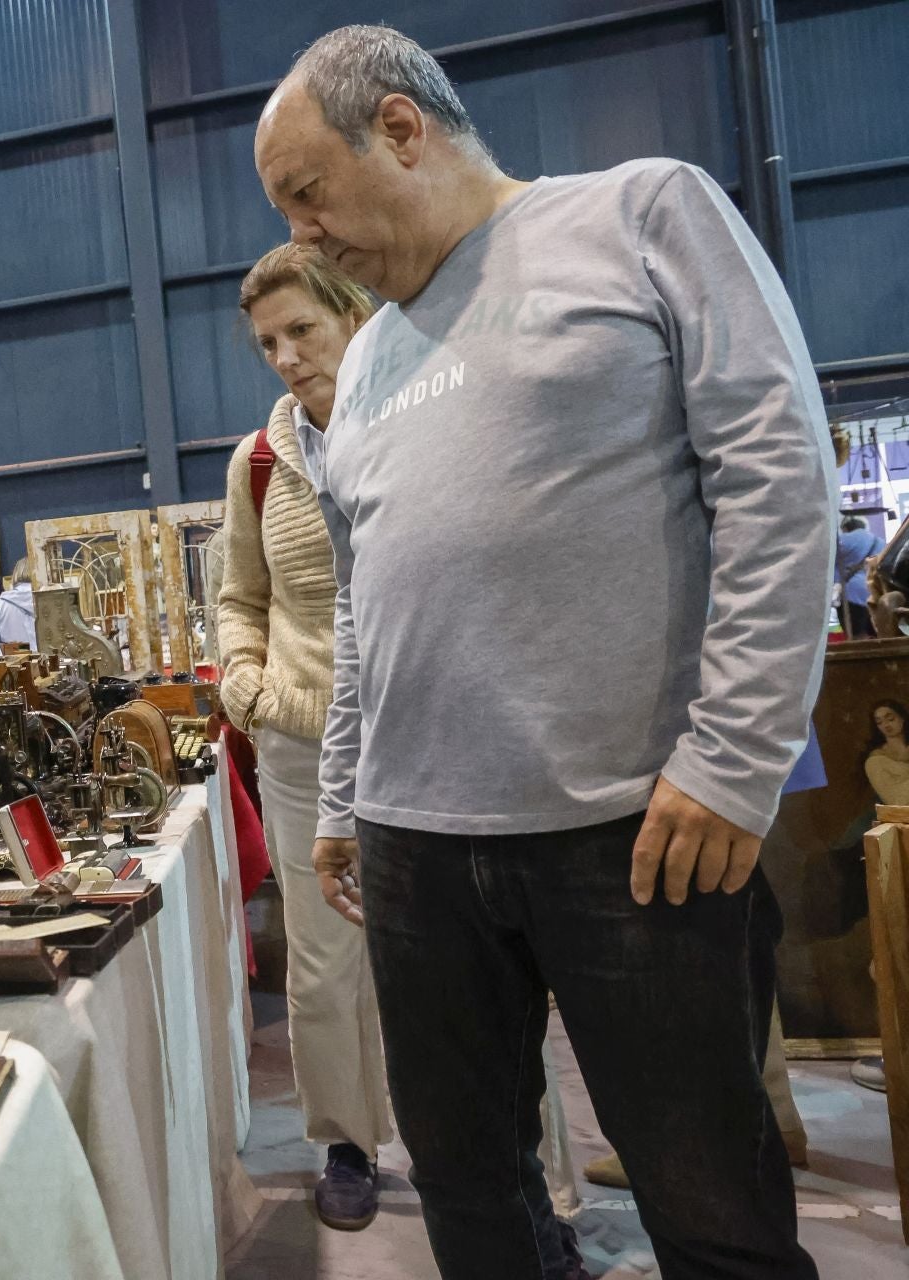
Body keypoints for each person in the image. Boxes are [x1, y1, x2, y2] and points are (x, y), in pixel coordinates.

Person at [257, 25, 831, 1280]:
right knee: (473, 1195)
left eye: (308, 194)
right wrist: (347, 793)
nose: (302, 234)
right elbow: (366, 602)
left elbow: (780, 483)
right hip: (417, 854)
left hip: (633, 834)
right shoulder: (364, 372)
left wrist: (735, 755)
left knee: (711, 1206)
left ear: (400, 130)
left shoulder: (642, 214)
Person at [216, 243, 393, 1229]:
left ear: (354, 315)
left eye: (302, 330)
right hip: (296, 744)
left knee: (462, 954)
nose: (284, 355)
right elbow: (238, 598)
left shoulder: (416, 428)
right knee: (322, 960)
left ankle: (496, 1149)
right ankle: (346, 1140)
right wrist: (247, 684)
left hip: (420, 740)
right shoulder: (261, 462)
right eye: (266, 342)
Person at [837, 514, 884, 639]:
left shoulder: (844, 540)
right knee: (877, 634)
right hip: (873, 593)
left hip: (850, 595)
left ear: (846, 528)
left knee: (856, 637)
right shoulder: (880, 542)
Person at [863, 699, 909, 805]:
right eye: (879, 722)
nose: (886, 725)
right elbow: (896, 801)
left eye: (890, 719)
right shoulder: (876, 761)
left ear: (902, 718)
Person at [0, 559, 38, 647]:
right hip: (50, 659)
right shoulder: (47, 600)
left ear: (15, 573)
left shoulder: (1, 604)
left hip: (15, 659)